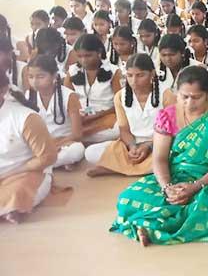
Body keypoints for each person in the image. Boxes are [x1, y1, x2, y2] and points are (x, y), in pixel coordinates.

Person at [110, 66, 208, 246]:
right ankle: (173, 220)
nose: (189, 103)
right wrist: (167, 187)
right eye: (184, 97)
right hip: (176, 174)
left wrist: (196, 186)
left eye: (196, 97)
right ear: (177, 93)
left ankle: (153, 225)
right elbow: (159, 159)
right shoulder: (167, 116)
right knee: (127, 199)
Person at [84, 54, 163, 176]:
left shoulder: (166, 94)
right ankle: (138, 168)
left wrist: (149, 145)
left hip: (158, 144)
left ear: (152, 73)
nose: (134, 81)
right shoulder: (120, 96)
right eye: (130, 76)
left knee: (170, 156)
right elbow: (124, 130)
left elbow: (173, 131)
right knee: (90, 152)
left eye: (140, 75)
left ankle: (113, 168)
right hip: (132, 145)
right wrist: (132, 147)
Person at [0, 72, 57, 223]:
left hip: (23, 174)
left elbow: (48, 157)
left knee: (17, 192)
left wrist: (9, 173)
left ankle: (12, 206)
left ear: (3, 90)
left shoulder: (25, 118)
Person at [26, 55, 84, 169]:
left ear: (54, 75)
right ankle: (49, 163)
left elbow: (77, 134)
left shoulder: (69, 96)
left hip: (64, 143)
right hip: (39, 144)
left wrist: (55, 145)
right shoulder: (29, 95)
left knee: (77, 150)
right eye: (30, 77)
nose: (35, 81)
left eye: (40, 76)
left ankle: (40, 165)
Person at [64, 33, 122, 143]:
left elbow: (119, 104)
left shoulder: (114, 72)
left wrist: (97, 115)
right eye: (80, 56)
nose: (84, 60)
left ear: (99, 53)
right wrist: (76, 115)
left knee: (118, 128)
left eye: (88, 56)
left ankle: (78, 139)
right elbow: (65, 101)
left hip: (105, 117)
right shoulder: (72, 71)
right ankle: (80, 138)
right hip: (79, 119)